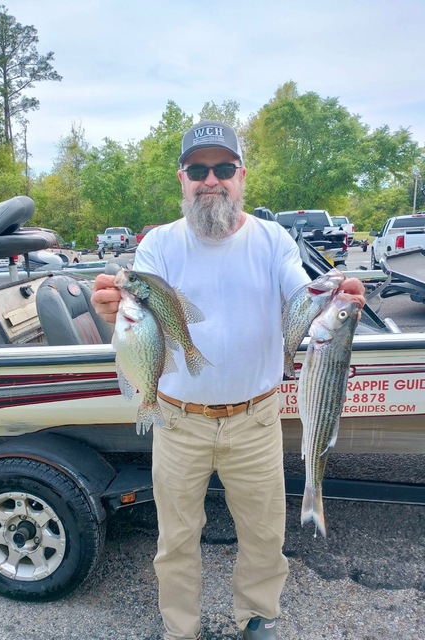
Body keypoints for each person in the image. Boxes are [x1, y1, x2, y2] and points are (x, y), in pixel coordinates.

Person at [91, 120, 365, 640]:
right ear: (182, 178)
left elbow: (299, 292)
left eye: (223, 169)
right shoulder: (158, 246)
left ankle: (257, 621)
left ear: (241, 176)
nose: (210, 180)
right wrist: (111, 307)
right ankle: (181, 630)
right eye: (199, 169)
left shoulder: (273, 239)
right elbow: (136, 317)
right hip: (176, 421)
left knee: (264, 536)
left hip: (256, 419)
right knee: (175, 540)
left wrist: (335, 298)